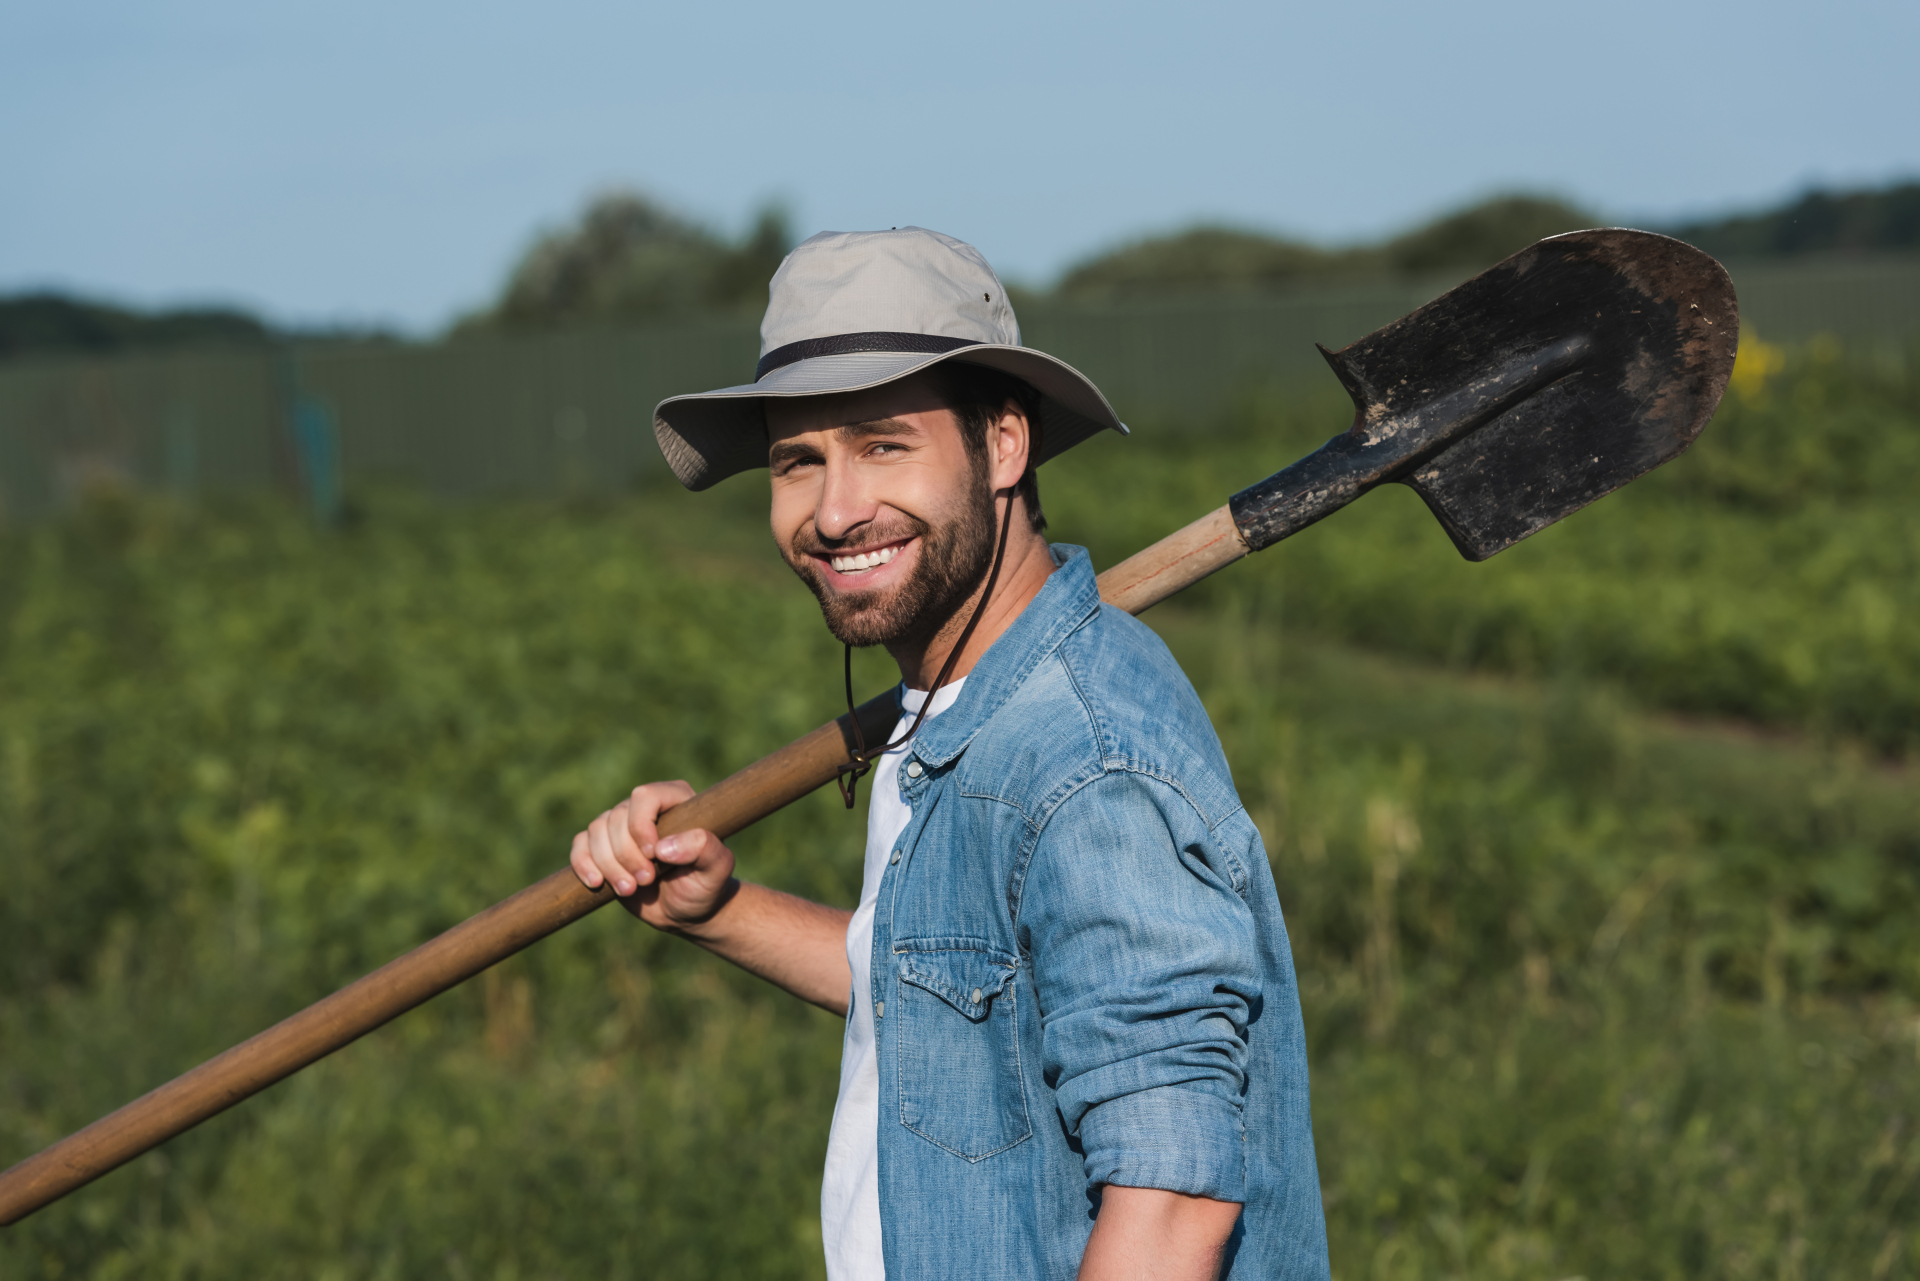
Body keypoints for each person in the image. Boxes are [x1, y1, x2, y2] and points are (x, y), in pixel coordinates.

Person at [570, 227, 1330, 1280]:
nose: (836, 511)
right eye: (799, 461)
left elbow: (1170, 1206)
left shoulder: (1084, 766)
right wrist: (720, 911)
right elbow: (957, 994)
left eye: (884, 445)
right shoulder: (962, 711)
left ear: (1004, 444)